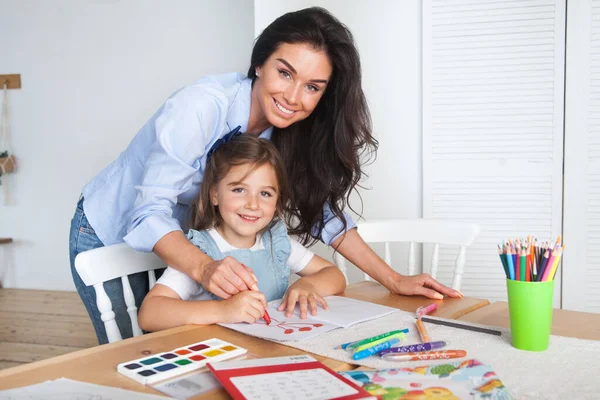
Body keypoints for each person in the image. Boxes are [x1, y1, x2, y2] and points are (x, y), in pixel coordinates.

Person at [70, 6, 461, 345]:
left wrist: (392, 280)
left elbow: (327, 218)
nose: (293, 97)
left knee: (192, 339)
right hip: (113, 229)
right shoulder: (201, 107)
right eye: (285, 73)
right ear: (259, 63)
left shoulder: (288, 134)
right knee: (141, 350)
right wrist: (205, 267)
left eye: (312, 87)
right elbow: (148, 212)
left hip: (188, 240)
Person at [138, 135, 346, 331]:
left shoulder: (279, 243)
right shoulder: (199, 252)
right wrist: (223, 311)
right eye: (239, 190)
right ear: (214, 195)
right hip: (219, 356)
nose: (253, 204)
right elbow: (149, 313)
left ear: (277, 202)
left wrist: (308, 285)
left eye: (265, 193)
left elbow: (334, 275)